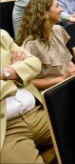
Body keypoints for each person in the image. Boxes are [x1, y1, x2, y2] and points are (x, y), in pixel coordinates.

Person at [0, 29, 52, 163]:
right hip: (6, 130)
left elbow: (35, 63)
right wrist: (18, 72)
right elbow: (27, 70)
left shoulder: (2, 36)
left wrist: (6, 73)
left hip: (38, 112)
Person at [16, 0, 75, 90]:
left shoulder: (58, 30)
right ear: (45, 14)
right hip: (52, 91)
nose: (61, 9)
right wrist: (62, 78)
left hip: (67, 84)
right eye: (57, 6)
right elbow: (30, 82)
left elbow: (66, 60)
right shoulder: (31, 44)